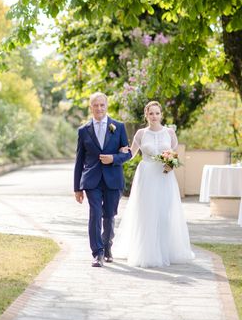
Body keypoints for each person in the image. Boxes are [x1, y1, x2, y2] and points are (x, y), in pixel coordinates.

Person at [112, 101, 194, 267]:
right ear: (146, 115)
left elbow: (174, 155)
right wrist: (117, 153)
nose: (154, 116)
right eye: (151, 113)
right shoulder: (141, 134)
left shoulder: (169, 132)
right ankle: (147, 252)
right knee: (147, 213)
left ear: (161, 114)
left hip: (164, 178)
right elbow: (131, 154)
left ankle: (165, 251)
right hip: (146, 177)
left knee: (164, 213)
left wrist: (170, 164)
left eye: (157, 113)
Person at [74, 92, 131, 267]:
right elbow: (79, 160)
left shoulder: (118, 127)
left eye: (102, 105)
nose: (99, 108)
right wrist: (77, 188)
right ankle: (97, 253)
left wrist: (114, 158)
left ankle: (107, 246)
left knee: (109, 215)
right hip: (92, 180)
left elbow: (128, 153)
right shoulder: (83, 130)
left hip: (113, 178)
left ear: (106, 106)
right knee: (95, 214)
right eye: (95, 105)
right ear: (90, 107)